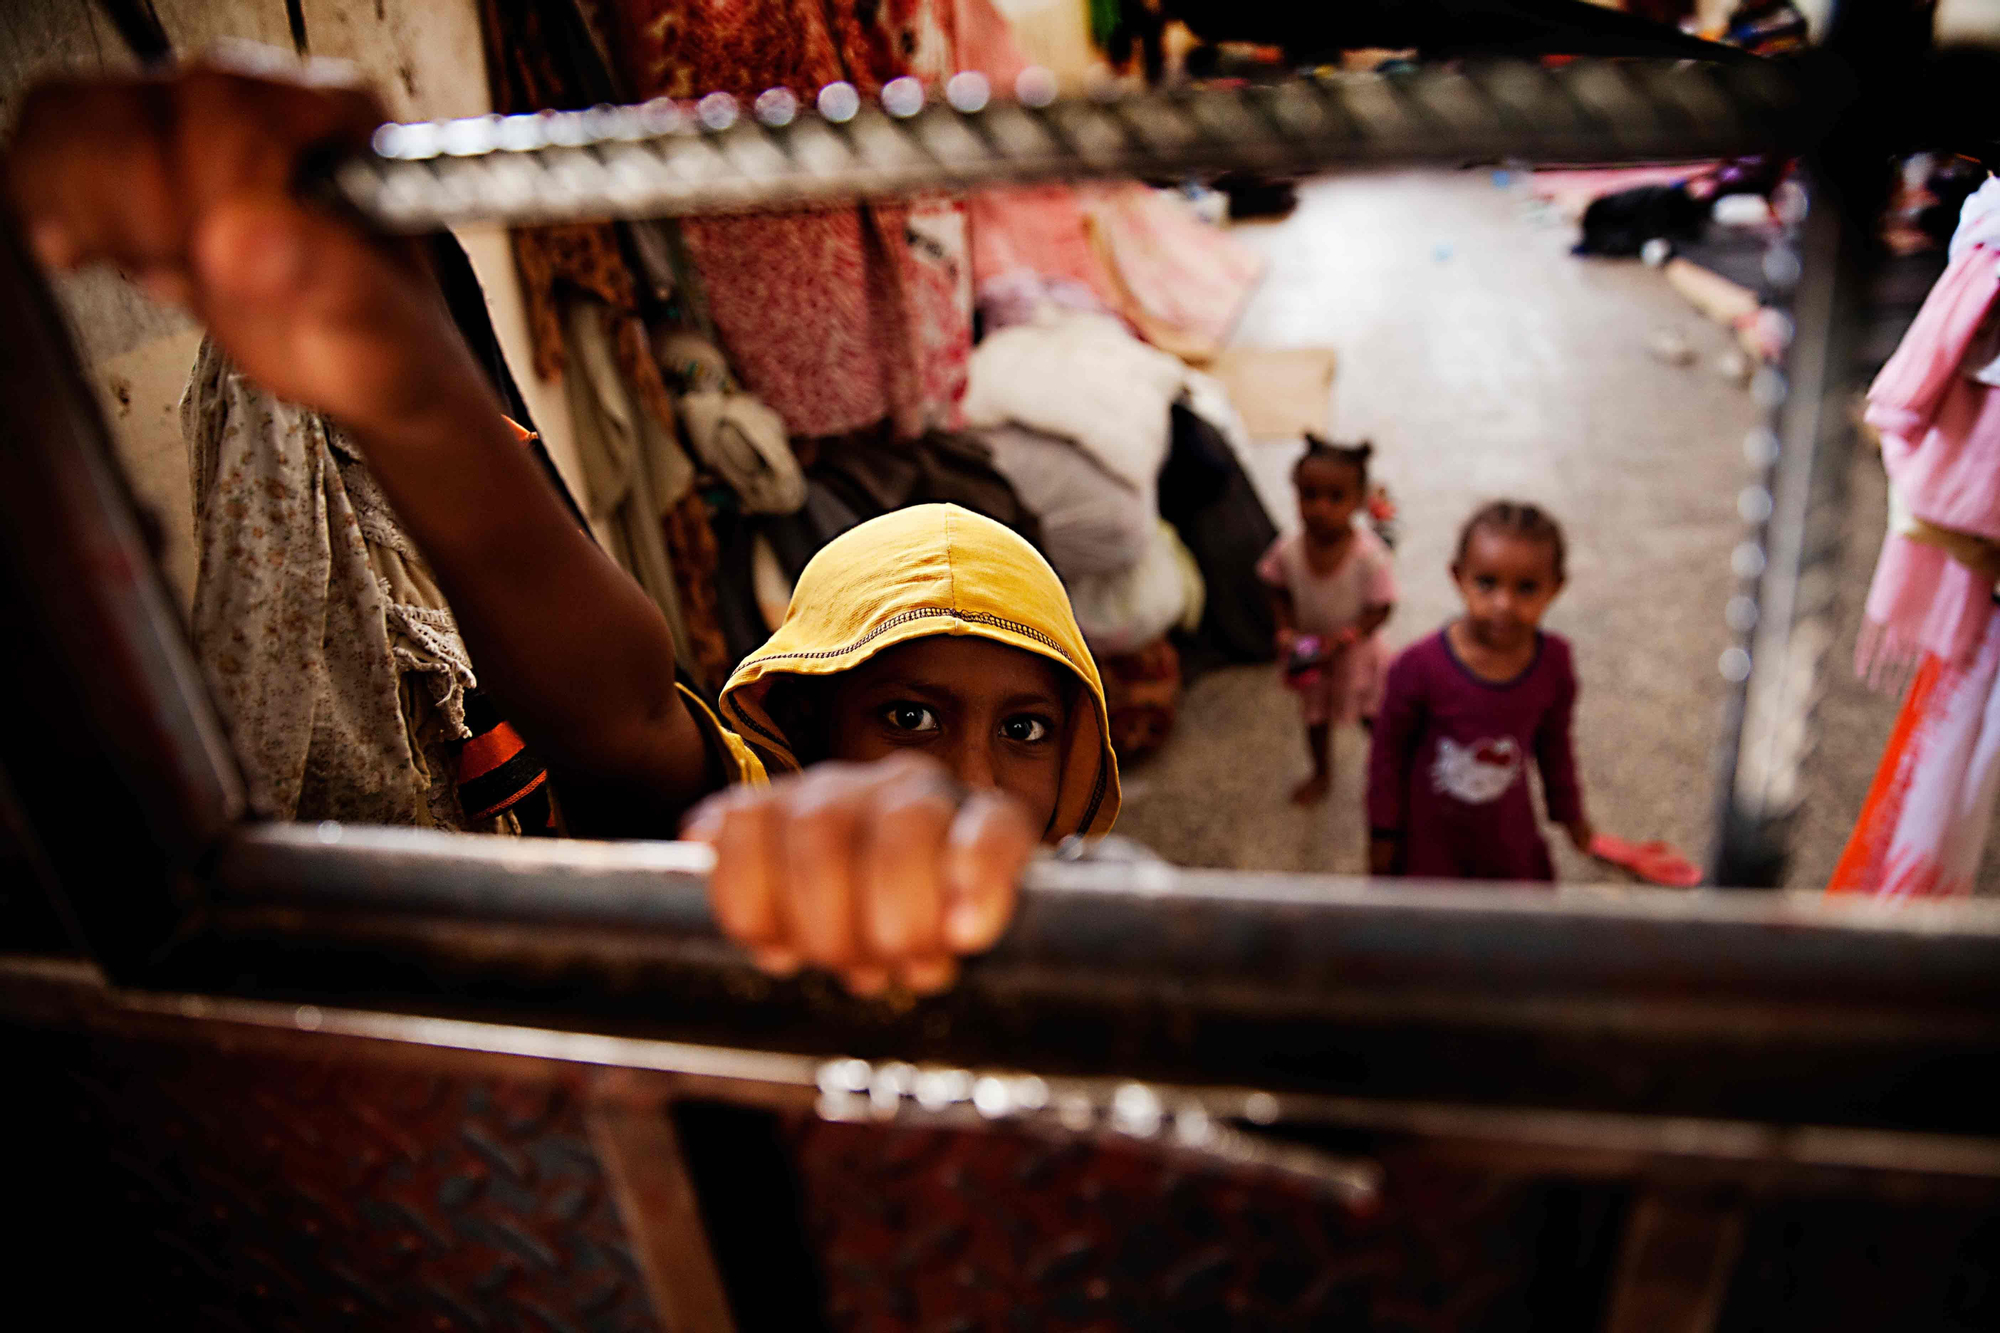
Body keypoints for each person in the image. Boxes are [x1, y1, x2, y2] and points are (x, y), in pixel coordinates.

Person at [3, 61, 1118, 996]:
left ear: (1081, 756)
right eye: (909, 715)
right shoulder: (746, 848)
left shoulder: (1130, 942)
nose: (970, 778)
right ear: (807, 718)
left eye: (1026, 728)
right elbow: (619, 718)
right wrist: (408, 388)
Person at [1366, 501, 1592, 881]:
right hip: (1431, 835)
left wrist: (1569, 812)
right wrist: (1382, 832)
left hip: (1506, 830)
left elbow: (1555, 744)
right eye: (1487, 583)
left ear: (1555, 587)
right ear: (1458, 577)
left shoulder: (1554, 662)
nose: (1504, 604)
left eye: (1527, 588)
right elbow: (1387, 755)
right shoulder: (1417, 666)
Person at [1257, 436, 1397, 805]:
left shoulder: (1369, 556)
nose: (1320, 508)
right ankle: (1321, 773)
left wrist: (1351, 635)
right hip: (1310, 653)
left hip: (1357, 654)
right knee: (1315, 717)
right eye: (1309, 495)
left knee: (1373, 715)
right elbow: (1276, 588)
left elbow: (1383, 606)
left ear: (1359, 500)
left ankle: (1391, 771)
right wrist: (1285, 628)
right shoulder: (1288, 550)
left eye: (1335, 498)